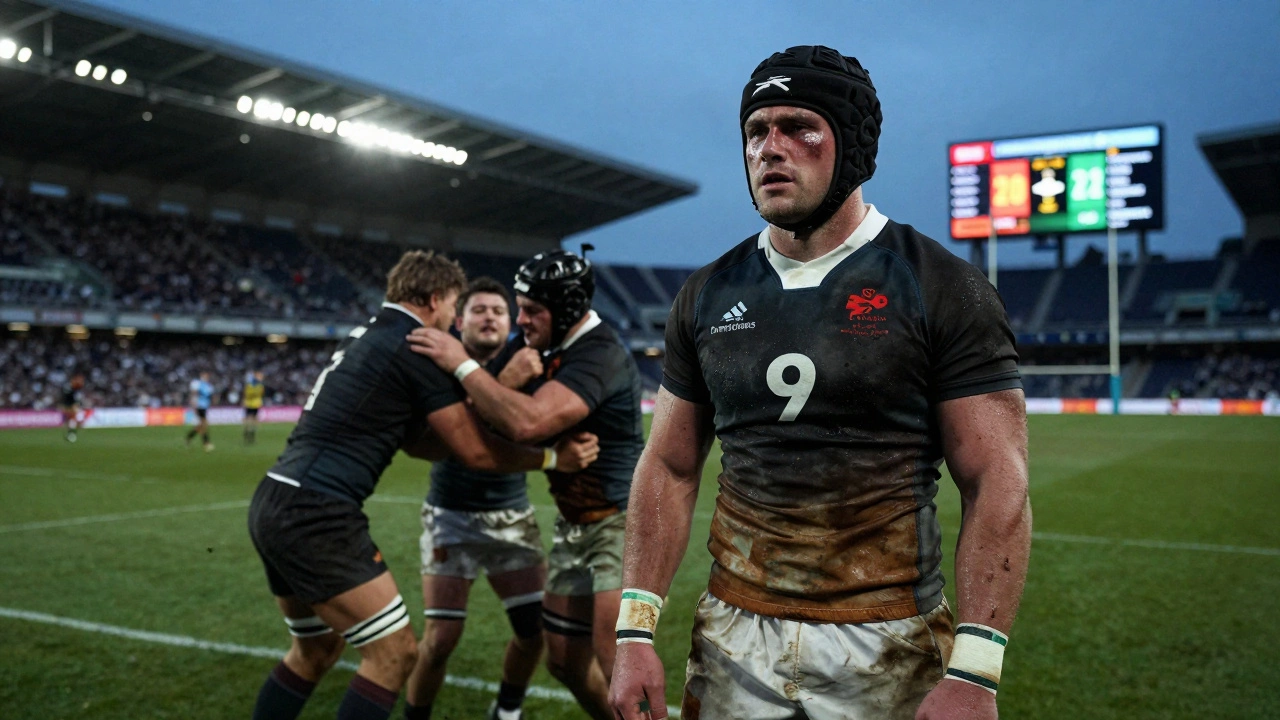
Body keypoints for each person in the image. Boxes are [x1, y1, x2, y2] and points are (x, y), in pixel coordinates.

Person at [608, 46, 1032, 720]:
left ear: (853, 146)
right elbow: (668, 466)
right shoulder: (706, 294)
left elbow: (996, 480)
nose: (770, 148)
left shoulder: (942, 287)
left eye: (799, 127)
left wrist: (976, 670)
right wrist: (633, 632)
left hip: (888, 636)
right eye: (756, 130)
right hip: (731, 636)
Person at [246, 251, 600, 720]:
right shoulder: (416, 344)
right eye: (456, 307)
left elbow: (422, 443)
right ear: (435, 300)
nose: (454, 321)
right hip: (318, 513)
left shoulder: (370, 334)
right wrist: (554, 457)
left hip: (275, 500)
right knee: (395, 655)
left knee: (314, 653)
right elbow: (473, 452)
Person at [408, 250, 646, 720]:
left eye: (532, 310)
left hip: (619, 523)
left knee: (615, 662)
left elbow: (530, 422)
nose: (521, 320)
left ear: (570, 309)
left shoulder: (598, 353)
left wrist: (462, 365)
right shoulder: (548, 346)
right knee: (562, 662)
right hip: (573, 526)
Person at [403, 277, 550, 720]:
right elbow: (448, 436)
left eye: (498, 311)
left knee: (533, 631)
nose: (490, 316)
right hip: (451, 514)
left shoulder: (530, 360)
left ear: (509, 323)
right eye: (480, 310)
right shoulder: (438, 367)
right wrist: (502, 380)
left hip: (511, 516)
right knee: (441, 638)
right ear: (460, 320)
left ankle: (507, 710)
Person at [186, 371, 215, 451]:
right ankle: (206, 443)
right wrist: (194, 406)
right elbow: (194, 395)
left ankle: (189, 437)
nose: (206, 377)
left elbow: (210, 397)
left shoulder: (209, 386)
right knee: (204, 424)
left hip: (204, 407)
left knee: (201, 425)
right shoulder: (197, 384)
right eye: (204, 375)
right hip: (199, 406)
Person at [60, 374, 84, 443]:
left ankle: (71, 433)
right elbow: (68, 398)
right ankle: (71, 433)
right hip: (70, 405)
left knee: (72, 419)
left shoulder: (75, 390)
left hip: (72, 405)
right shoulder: (71, 389)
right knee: (72, 418)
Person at [243, 370, 266, 444]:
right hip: (252, 404)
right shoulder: (255, 385)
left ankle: (249, 434)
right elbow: (249, 394)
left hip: (253, 404)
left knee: (252, 419)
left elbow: (247, 394)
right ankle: (249, 434)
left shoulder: (254, 385)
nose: (261, 377)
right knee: (251, 419)